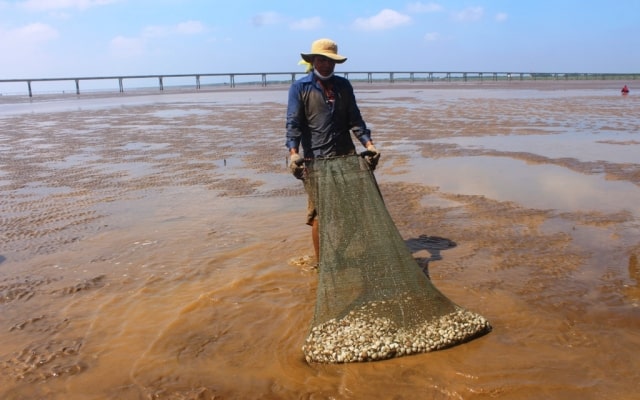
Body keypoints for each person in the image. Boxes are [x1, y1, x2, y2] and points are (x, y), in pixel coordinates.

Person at [285, 38, 380, 264]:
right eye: (321, 60)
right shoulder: (300, 88)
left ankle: (339, 253)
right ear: (313, 61)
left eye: (331, 61)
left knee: (352, 212)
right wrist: (293, 154)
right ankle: (322, 265)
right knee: (320, 214)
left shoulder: (343, 86)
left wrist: (369, 145)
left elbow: (355, 120)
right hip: (315, 161)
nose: (326, 65)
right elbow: (293, 124)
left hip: (346, 157)